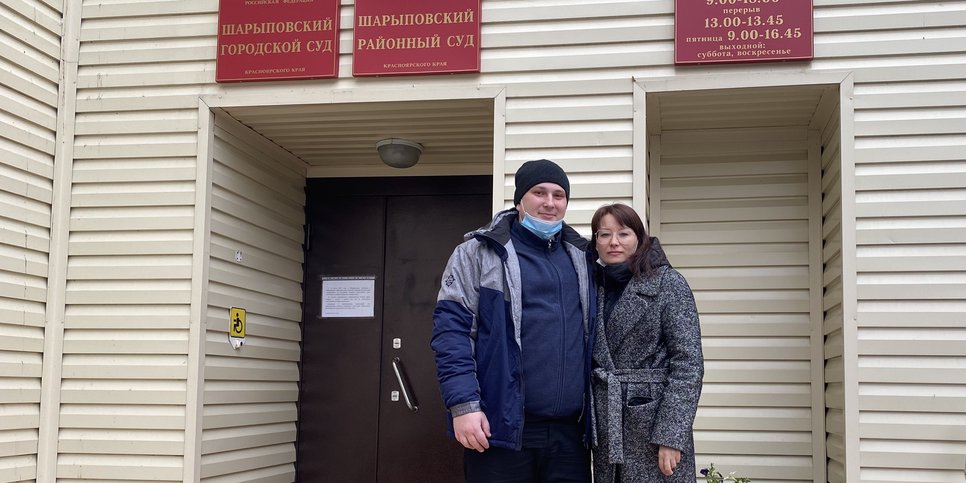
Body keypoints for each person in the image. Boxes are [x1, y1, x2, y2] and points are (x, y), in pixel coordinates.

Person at [431, 159, 596, 483]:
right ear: (520, 198)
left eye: (559, 195)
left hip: (569, 437)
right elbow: (452, 333)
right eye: (539, 192)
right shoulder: (477, 254)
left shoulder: (582, 256)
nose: (549, 203)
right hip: (501, 428)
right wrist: (463, 405)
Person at [589, 203, 704, 482]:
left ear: (639, 239)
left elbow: (688, 365)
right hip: (607, 426)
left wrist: (671, 435)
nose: (613, 242)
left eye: (623, 234)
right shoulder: (593, 287)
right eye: (604, 235)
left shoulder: (668, 284)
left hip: (652, 427)